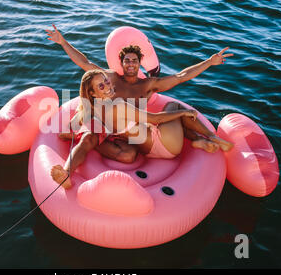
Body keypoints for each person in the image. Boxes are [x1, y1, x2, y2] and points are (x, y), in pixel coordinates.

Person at [46, 24, 234, 159]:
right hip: (128, 133)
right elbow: (84, 63)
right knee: (175, 109)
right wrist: (63, 42)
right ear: (121, 63)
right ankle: (207, 137)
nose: (130, 64)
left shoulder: (148, 85)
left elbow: (181, 76)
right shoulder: (109, 78)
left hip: (137, 133)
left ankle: (203, 139)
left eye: (134, 60)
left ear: (140, 63)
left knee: (172, 108)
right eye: (127, 60)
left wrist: (209, 62)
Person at [51, 69, 199, 189]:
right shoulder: (107, 108)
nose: (108, 86)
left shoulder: (98, 108)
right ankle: (66, 173)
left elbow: (70, 127)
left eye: (106, 81)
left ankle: (67, 169)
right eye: (101, 86)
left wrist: (72, 132)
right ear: (92, 93)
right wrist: (183, 112)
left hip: (128, 140)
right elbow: (156, 119)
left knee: (128, 154)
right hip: (152, 140)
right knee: (88, 138)